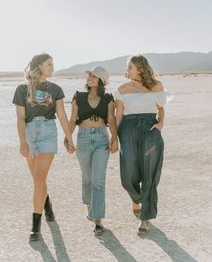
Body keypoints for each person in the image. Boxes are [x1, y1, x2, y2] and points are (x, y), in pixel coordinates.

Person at [12, 53, 75, 241]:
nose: (53, 68)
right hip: (30, 133)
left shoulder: (56, 89)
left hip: (48, 131)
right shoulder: (22, 89)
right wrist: (22, 141)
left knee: (39, 178)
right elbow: (21, 118)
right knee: (37, 179)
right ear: (39, 66)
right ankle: (46, 203)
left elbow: (62, 116)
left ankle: (35, 227)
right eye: (50, 64)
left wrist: (69, 139)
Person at [114, 55, 173, 236]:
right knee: (128, 173)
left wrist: (160, 125)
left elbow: (161, 109)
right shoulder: (121, 89)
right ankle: (136, 198)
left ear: (140, 68)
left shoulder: (156, 86)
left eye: (130, 67)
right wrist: (115, 137)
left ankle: (145, 217)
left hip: (150, 130)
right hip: (128, 130)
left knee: (150, 171)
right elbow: (118, 114)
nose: (127, 70)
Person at [66, 66, 118, 235]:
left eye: (94, 76)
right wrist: (67, 138)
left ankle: (98, 220)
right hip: (83, 138)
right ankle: (90, 207)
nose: (89, 78)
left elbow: (111, 119)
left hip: (102, 139)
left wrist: (114, 138)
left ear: (101, 80)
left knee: (98, 181)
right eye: (89, 76)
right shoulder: (78, 96)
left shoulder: (109, 98)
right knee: (87, 179)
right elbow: (73, 120)